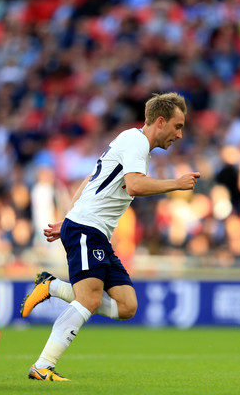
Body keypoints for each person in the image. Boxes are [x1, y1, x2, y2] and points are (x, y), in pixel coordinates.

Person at [20, 92, 201, 381]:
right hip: (86, 229)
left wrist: (66, 219)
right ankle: (43, 366)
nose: (180, 135)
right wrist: (176, 184)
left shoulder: (131, 141)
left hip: (93, 231)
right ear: (161, 121)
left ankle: (52, 287)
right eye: (178, 127)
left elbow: (90, 180)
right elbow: (134, 186)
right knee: (88, 300)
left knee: (127, 305)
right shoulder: (136, 142)